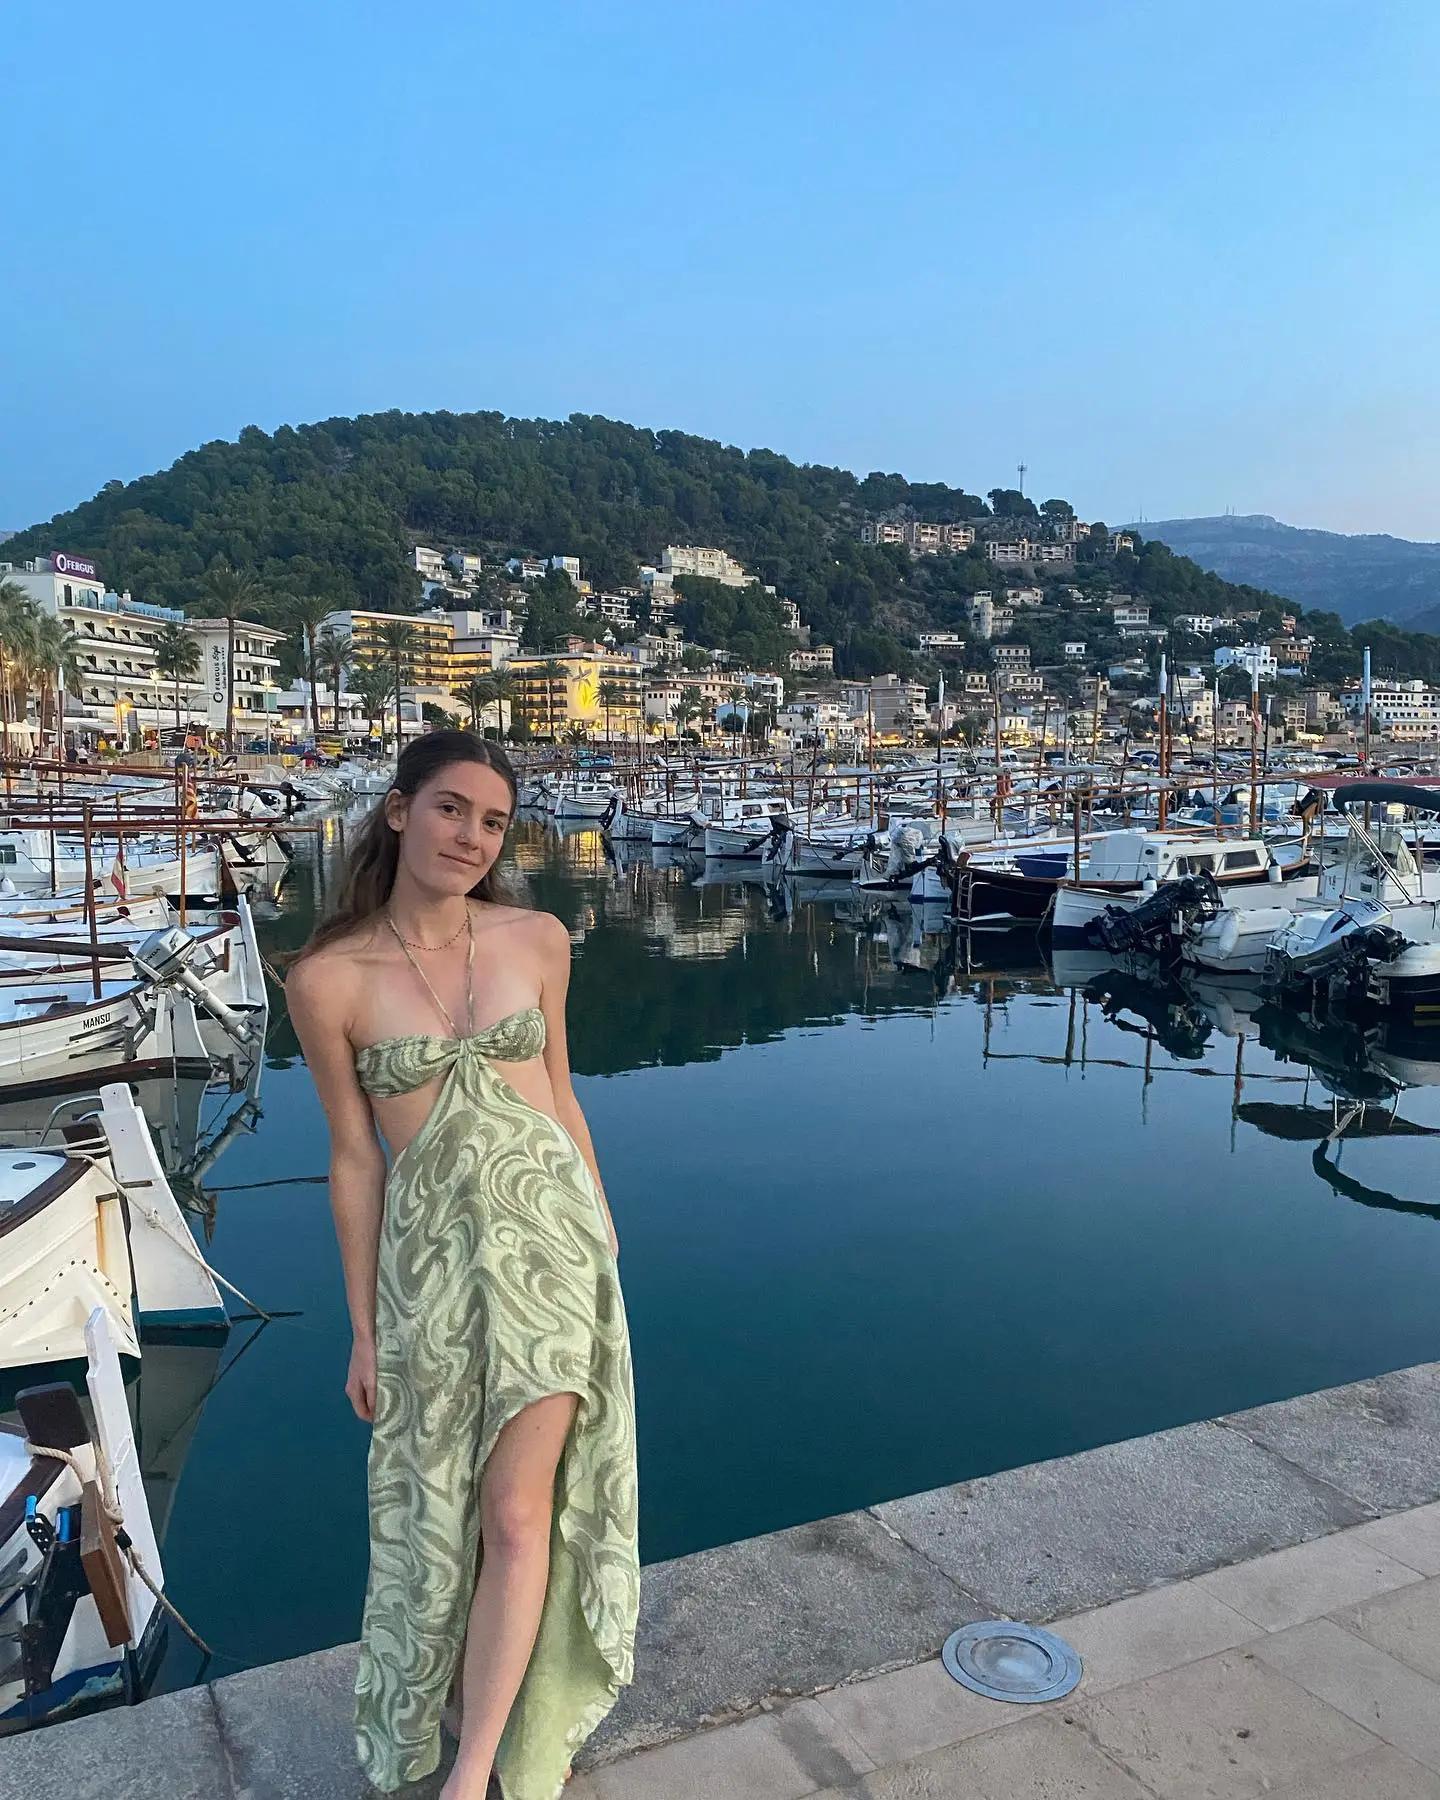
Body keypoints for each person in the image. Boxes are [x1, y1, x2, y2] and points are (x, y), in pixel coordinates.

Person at [286, 730, 638, 1800]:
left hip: (552, 1261)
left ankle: (480, 1768)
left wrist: (606, 1243)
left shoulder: (536, 938)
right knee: (440, 1512)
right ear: (398, 811)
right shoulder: (327, 977)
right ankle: (465, 1703)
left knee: (522, 1511)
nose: (472, 837)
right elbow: (354, 1159)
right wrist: (362, 1326)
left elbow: (564, 1098)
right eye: (450, 809)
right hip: (430, 1276)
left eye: (491, 821)